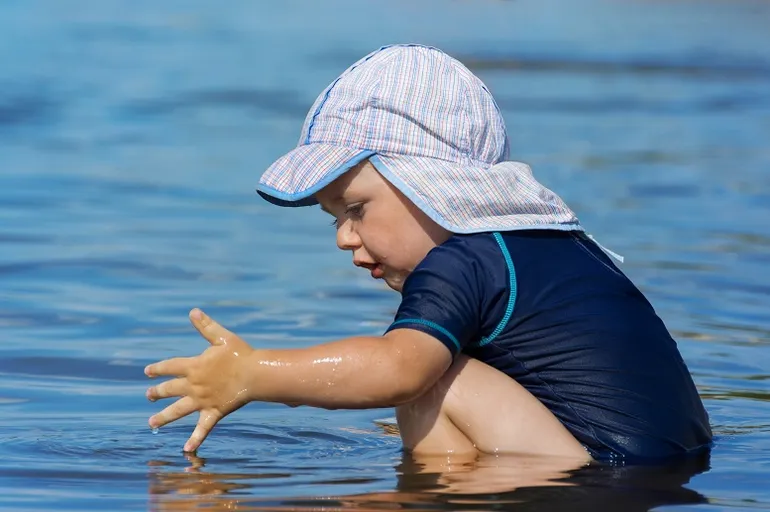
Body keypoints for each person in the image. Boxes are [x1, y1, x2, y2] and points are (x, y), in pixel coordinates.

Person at [145, 44, 712, 464]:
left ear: (428, 186)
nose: (343, 236)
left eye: (357, 209)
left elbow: (396, 371)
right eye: (335, 218)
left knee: (428, 378)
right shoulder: (553, 247)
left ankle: (451, 495)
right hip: (671, 468)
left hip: (595, 478)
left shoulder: (461, 259)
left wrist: (253, 373)